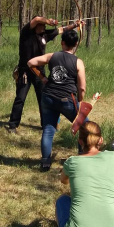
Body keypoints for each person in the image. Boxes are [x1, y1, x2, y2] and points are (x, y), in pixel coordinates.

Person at [56, 121, 114, 227]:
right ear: (101, 140)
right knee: (110, 207)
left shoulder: (72, 162)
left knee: (63, 201)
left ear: (80, 141)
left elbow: (64, 181)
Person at [6, 16, 82, 134]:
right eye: (43, 25)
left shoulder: (45, 35)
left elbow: (62, 29)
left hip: (39, 73)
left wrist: (75, 25)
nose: (45, 27)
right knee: (20, 98)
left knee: (43, 99)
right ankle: (13, 125)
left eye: (45, 25)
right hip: (25, 71)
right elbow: (36, 19)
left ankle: (46, 124)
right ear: (37, 25)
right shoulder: (27, 33)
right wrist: (50, 21)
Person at [27, 29, 85, 171]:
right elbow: (82, 88)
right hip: (67, 99)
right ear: (76, 44)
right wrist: (80, 103)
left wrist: (43, 78)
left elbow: (31, 62)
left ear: (62, 43)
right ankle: (83, 158)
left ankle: (45, 162)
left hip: (48, 97)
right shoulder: (78, 62)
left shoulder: (52, 56)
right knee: (84, 127)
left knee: (48, 130)